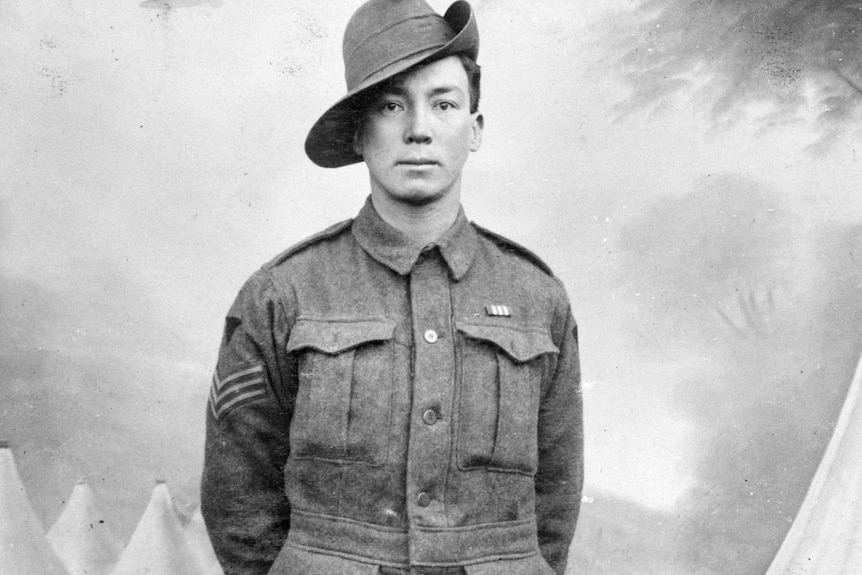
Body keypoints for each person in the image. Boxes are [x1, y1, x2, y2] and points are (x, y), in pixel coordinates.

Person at [200, 1, 583, 574]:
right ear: (359, 134)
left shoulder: (537, 297)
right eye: (391, 105)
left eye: (444, 104)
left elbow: (555, 500)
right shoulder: (284, 293)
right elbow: (239, 497)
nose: (419, 129)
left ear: (474, 131)